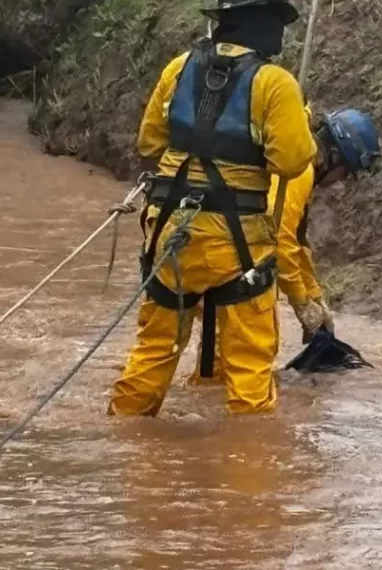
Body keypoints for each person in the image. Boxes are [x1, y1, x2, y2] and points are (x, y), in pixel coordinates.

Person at [108, 0, 317, 417]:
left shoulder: (178, 68)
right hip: (236, 242)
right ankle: (247, 465)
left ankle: (124, 438)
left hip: (169, 230)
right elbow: (291, 162)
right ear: (265, 25)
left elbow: (150, 143)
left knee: (154, 349)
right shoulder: (275, 83)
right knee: (249, 364)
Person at [187, 107, 382, 385]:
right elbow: (279, 238)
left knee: (208, 345)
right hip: (219, 256)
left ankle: (201, 401)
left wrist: (315, 297)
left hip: (200, 245)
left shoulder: (295, 162)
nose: (341, 182)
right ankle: (215, 414)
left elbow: (297, 244)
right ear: (335, 156)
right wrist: (302, 303)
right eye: (345, 173)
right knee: (241, 351)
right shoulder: (299, 172)